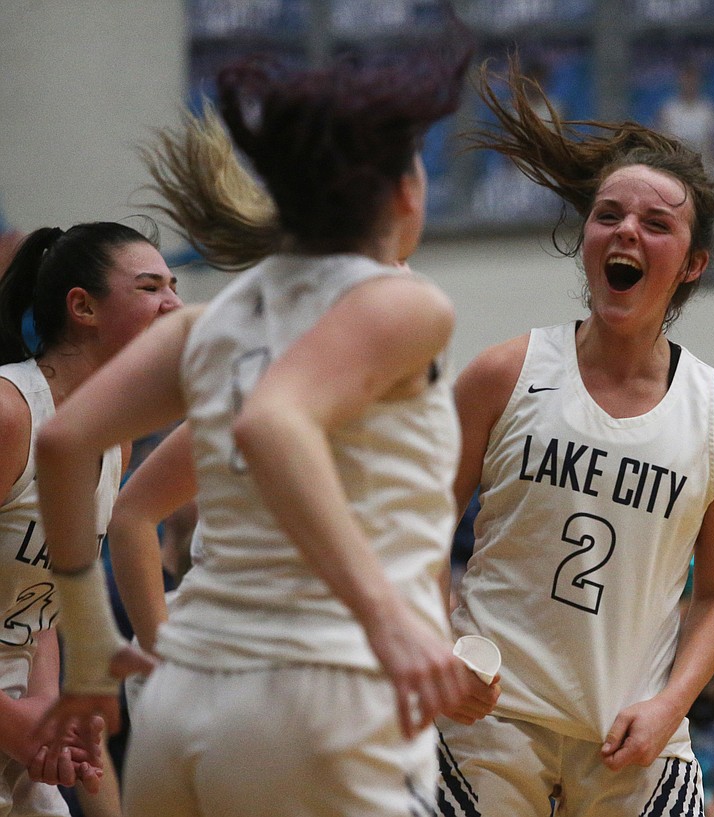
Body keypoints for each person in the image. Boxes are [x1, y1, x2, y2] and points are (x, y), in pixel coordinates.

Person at [32, 32, 498, 817]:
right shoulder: (402, 300)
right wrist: (392, 623)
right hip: (326, 696)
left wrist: (90, 648)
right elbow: (274, 424)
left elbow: (63, 441)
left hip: (181, 704)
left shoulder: (206, 324)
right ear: (404, 193)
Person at [436, 59, 714, 816]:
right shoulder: (504, 371)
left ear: (693, 264)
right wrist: (436, 651)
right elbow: (418, 533)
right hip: (490, 721)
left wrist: (672, 705)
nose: (627, 231)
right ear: (585, 236)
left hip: (636, 733)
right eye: (609, 214)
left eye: (657, 224)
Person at [0, 221, 181, 817]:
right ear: (82, 307)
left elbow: (43, 608)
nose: (174, 304)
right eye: (151, 287)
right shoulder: (9, 414)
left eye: (174, 286)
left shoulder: (113, 442)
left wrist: (48, 708)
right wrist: (13, 721)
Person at [656, 60, 714, 177]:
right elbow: (663, 142)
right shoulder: (669, 109)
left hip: (702, 167)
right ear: (680, 81)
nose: (689, 83)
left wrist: (712, 170)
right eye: (686, 79)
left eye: (692, 79)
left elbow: (713, 144)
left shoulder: (707, 110)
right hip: (676, 167)